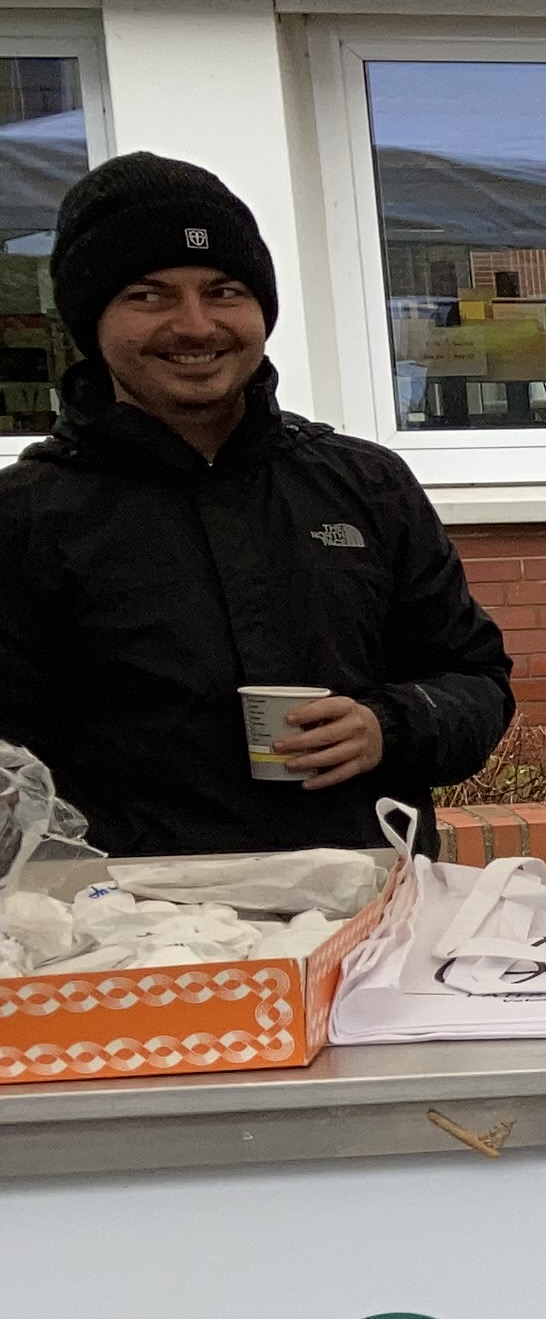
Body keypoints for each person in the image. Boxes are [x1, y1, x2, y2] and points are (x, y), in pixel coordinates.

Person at [0, 153, 513, 855]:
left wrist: (389, 725)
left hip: (369, 918)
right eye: (148, 295)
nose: (195, 325)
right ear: (92, 320)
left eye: (224, 291)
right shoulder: (26, 516)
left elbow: (476, 681)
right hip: (133, 935)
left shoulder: (364, 484)